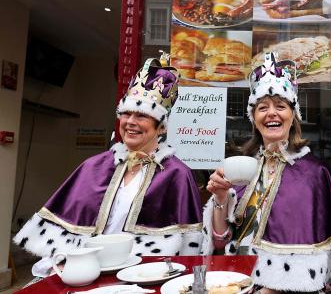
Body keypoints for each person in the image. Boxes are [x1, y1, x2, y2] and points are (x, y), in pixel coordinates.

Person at [14, 57, 203, 277]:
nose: (130, 122)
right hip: (89, 272)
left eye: (142, 115)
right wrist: (67, 261)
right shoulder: (92, 166)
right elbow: (67, 232)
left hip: (145, 274)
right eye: (126, 114)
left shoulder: (177, 174)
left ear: (160, 127)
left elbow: (189, 245)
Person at [202, 52, 331, 293]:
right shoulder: (243, 169)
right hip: (236, 282)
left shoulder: (314, 174)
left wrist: (272, 290)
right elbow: (220, 240)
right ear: (254, 118)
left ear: (293, 116)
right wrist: (219, 198)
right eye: (262, 107)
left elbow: (311, 267)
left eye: (280, 106)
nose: (271, 113)